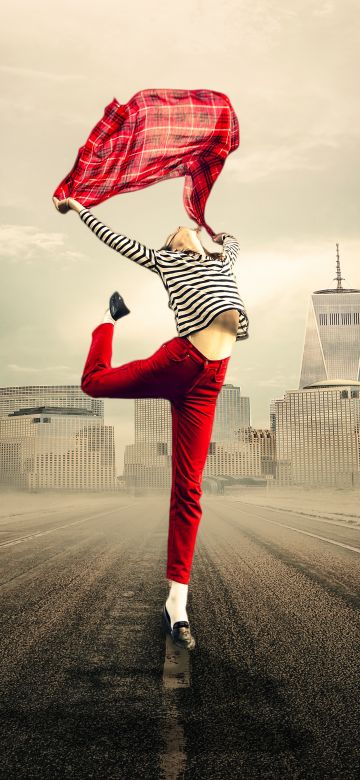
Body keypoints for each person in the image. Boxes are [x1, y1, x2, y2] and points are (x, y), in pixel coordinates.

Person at [52, 195, 249, 650]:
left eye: (188, 229)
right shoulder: (167, 261)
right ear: (172, 247)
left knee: (189, 489)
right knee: (94, 385)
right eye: (177, 231)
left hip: (210, 381)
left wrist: (206, 221)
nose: (184, 228)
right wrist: (79, 208)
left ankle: (176, 602)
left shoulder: (223, 261)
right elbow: (114, 239)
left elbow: (232, 239)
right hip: (178, 361)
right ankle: (106, 322)